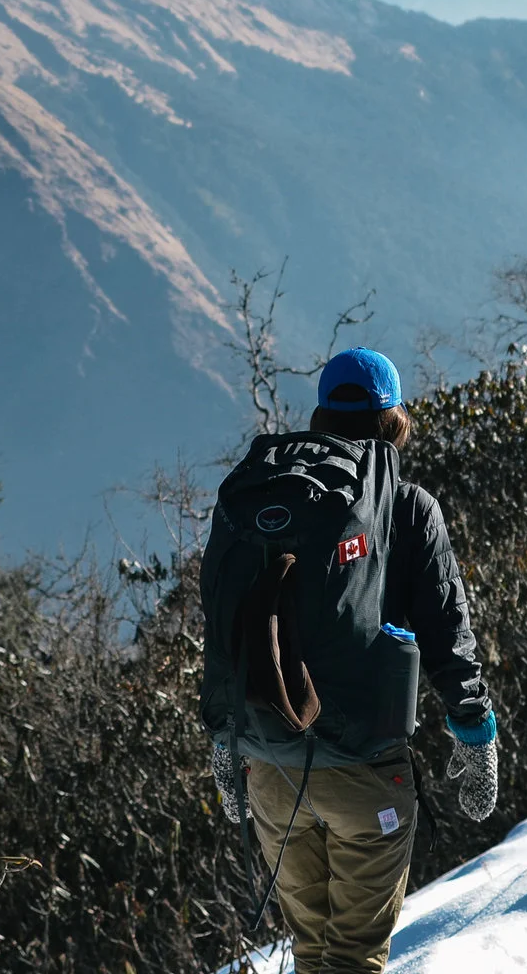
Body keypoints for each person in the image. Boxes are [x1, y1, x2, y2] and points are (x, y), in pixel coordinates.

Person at [201, 347, 499, 974]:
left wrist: (225, 747)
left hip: (268, 767)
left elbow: (221, 629)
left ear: (320, 415)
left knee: (312, 953)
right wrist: (475, 735)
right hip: (364, 772)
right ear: (393, 418)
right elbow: (449, 634)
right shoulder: (406, 505)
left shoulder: (256, 497)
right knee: (353, 958)